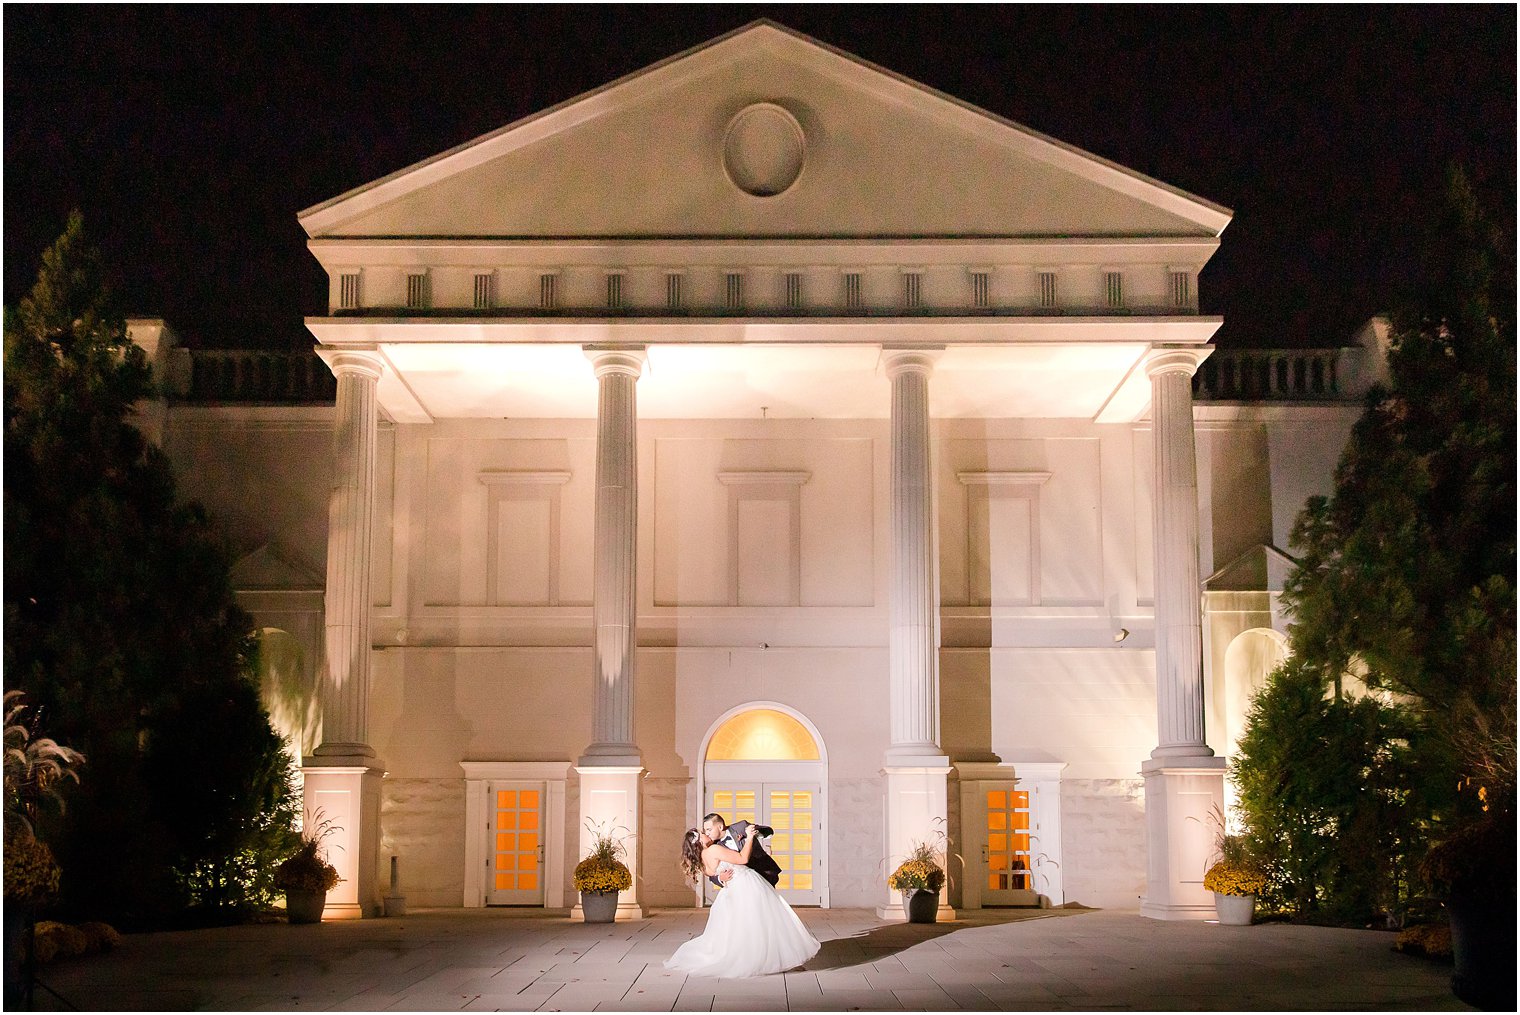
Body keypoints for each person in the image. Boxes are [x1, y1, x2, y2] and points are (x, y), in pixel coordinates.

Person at [664, 824, 820, 978]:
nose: (706, 833)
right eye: (703, 833)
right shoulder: (713, 849)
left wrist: (720, 876)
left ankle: (757, 955)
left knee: (741, 926)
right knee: (763, 921)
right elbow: (742, 858)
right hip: (746, 884)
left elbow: (712, 873)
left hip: (731, 891)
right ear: (700, 841)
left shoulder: (700, 859)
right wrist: (750, 837)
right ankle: (766, 957)